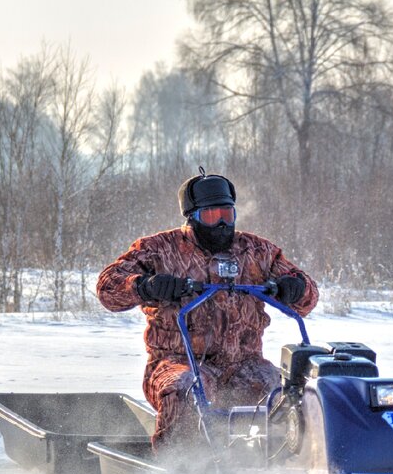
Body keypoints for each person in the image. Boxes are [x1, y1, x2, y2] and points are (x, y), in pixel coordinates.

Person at [96, 169, 319, 453]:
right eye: (212, 217)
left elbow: (309, 297)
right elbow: (107, 288)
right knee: (188, 389)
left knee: (287, 395)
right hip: (177, 362)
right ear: (192, 217)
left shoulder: (258, 252)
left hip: (244, 365)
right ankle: (178, 471)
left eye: (228, 215)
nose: (222, 225)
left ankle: (286, 464)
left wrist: (295, 288)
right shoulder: (159, 250)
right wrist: (145, 286)